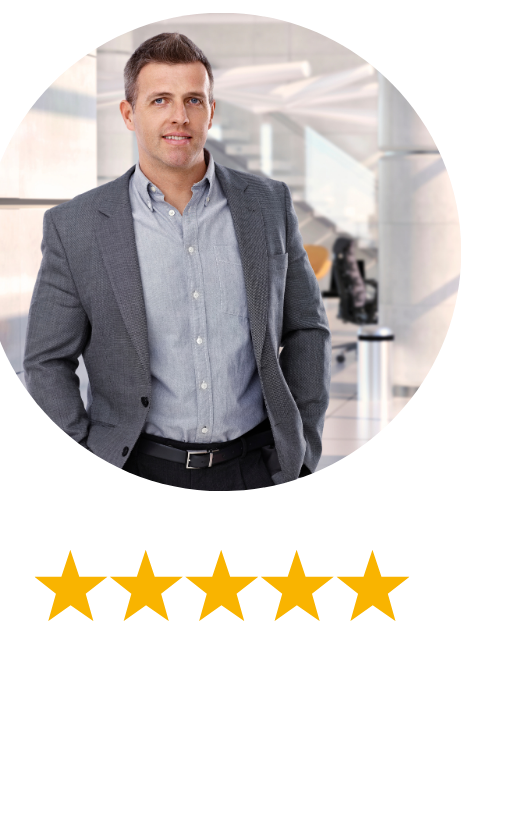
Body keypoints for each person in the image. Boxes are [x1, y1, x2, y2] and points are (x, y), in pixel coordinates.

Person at [23, 33, 331, 494]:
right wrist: (84, 458)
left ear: (212, 111)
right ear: (129, 114)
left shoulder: (267, 205)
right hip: (135, 473)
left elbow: (307, 328)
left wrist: (302, 446)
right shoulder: (77, 226)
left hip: (256, 470)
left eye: (193, 100)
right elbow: (47, 361)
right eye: (160, 100)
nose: (179, 116)